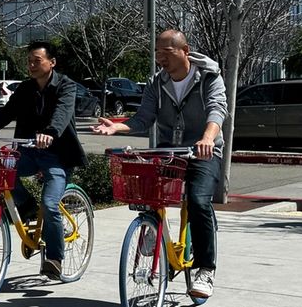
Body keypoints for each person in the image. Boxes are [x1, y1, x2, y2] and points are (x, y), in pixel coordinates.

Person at [91, 29, 227, 298]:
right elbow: (143, 118)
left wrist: (207, 139)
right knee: (147, 195)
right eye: (157, 53)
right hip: (170, 151)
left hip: (203, 150)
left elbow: (217, 109)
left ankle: (205, 270)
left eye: (166, 52)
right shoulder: (157, 82)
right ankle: (152, 229)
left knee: (199, 201)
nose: (160, 58)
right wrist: (117, 128)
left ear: (185, 51)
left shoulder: (210, 77)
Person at [0, 41, 87, 280]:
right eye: (29, 61)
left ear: (51, 63)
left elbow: (62, 113)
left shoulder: (66, 86)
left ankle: (54, 258)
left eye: (37, 60)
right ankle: (27, 207)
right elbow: (5, 113)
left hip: (58, 156)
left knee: (51, 205)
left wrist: (50, 133)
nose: (32, 65)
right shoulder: (25, 89)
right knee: (3, 170)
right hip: (30, 152)